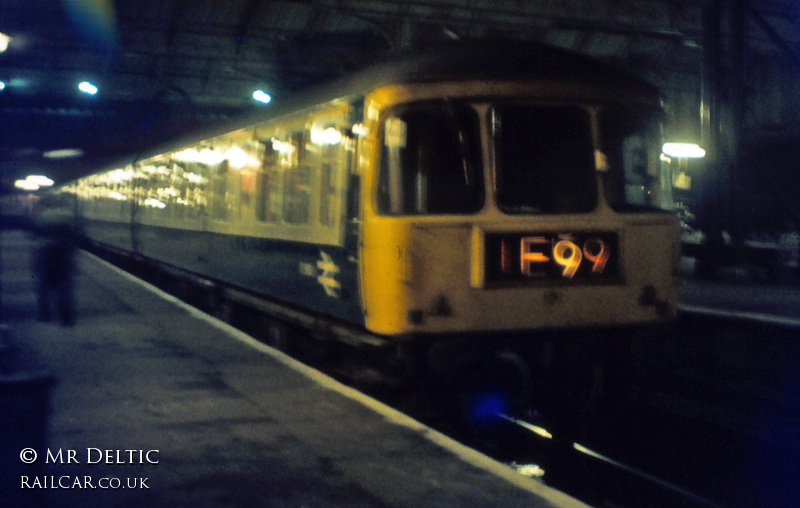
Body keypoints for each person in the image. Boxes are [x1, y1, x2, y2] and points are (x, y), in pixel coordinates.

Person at [33, 204, 76, 326]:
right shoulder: (66, 216)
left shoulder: (41, 216)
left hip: (45, 254)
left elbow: (35, 237)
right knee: (64, 287)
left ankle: (44, 315)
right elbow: (73, 239)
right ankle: (66, 318)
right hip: (62, 255)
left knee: (43, 287)